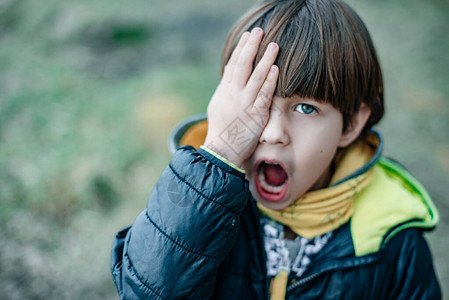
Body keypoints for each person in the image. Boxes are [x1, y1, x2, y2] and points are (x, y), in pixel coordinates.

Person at [111, 0, 442, 299]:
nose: (272, 133)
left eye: (306, 109)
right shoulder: (202, 206)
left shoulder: (394, 243)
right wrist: (220, 151)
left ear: (351, 123)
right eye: (257, 103)